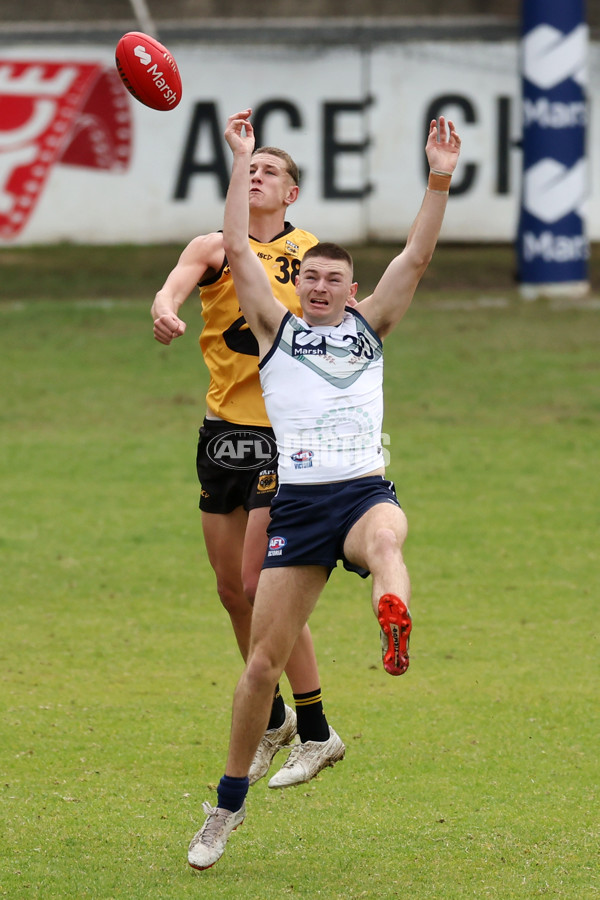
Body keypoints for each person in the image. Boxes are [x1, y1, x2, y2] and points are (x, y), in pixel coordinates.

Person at [187, 107, 461, 871]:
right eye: (311, 277)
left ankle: (390, 614)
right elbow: (237, 247)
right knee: (260, 667)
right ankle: (226, 807)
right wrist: (242, 159)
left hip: (361, 490)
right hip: (301, 504)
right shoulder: (277, 332)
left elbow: (417, 255)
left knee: (387, 538)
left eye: (335, 280)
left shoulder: (372, 327)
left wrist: (439, 177)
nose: (320, 286)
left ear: (352, 289)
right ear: (299, 283)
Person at [151, 143, 344, 787]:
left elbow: (342, 321)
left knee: (264, 586)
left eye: (270, 171)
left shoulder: (313, 255)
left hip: (284, 437)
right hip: (221, 435)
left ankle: (316, 728)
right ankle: (276, 724)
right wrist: (165, 307)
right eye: (248, 168)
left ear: (292, 194)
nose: (256, 174)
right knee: (232, 590)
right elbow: (176, 283)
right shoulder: (213, 247)